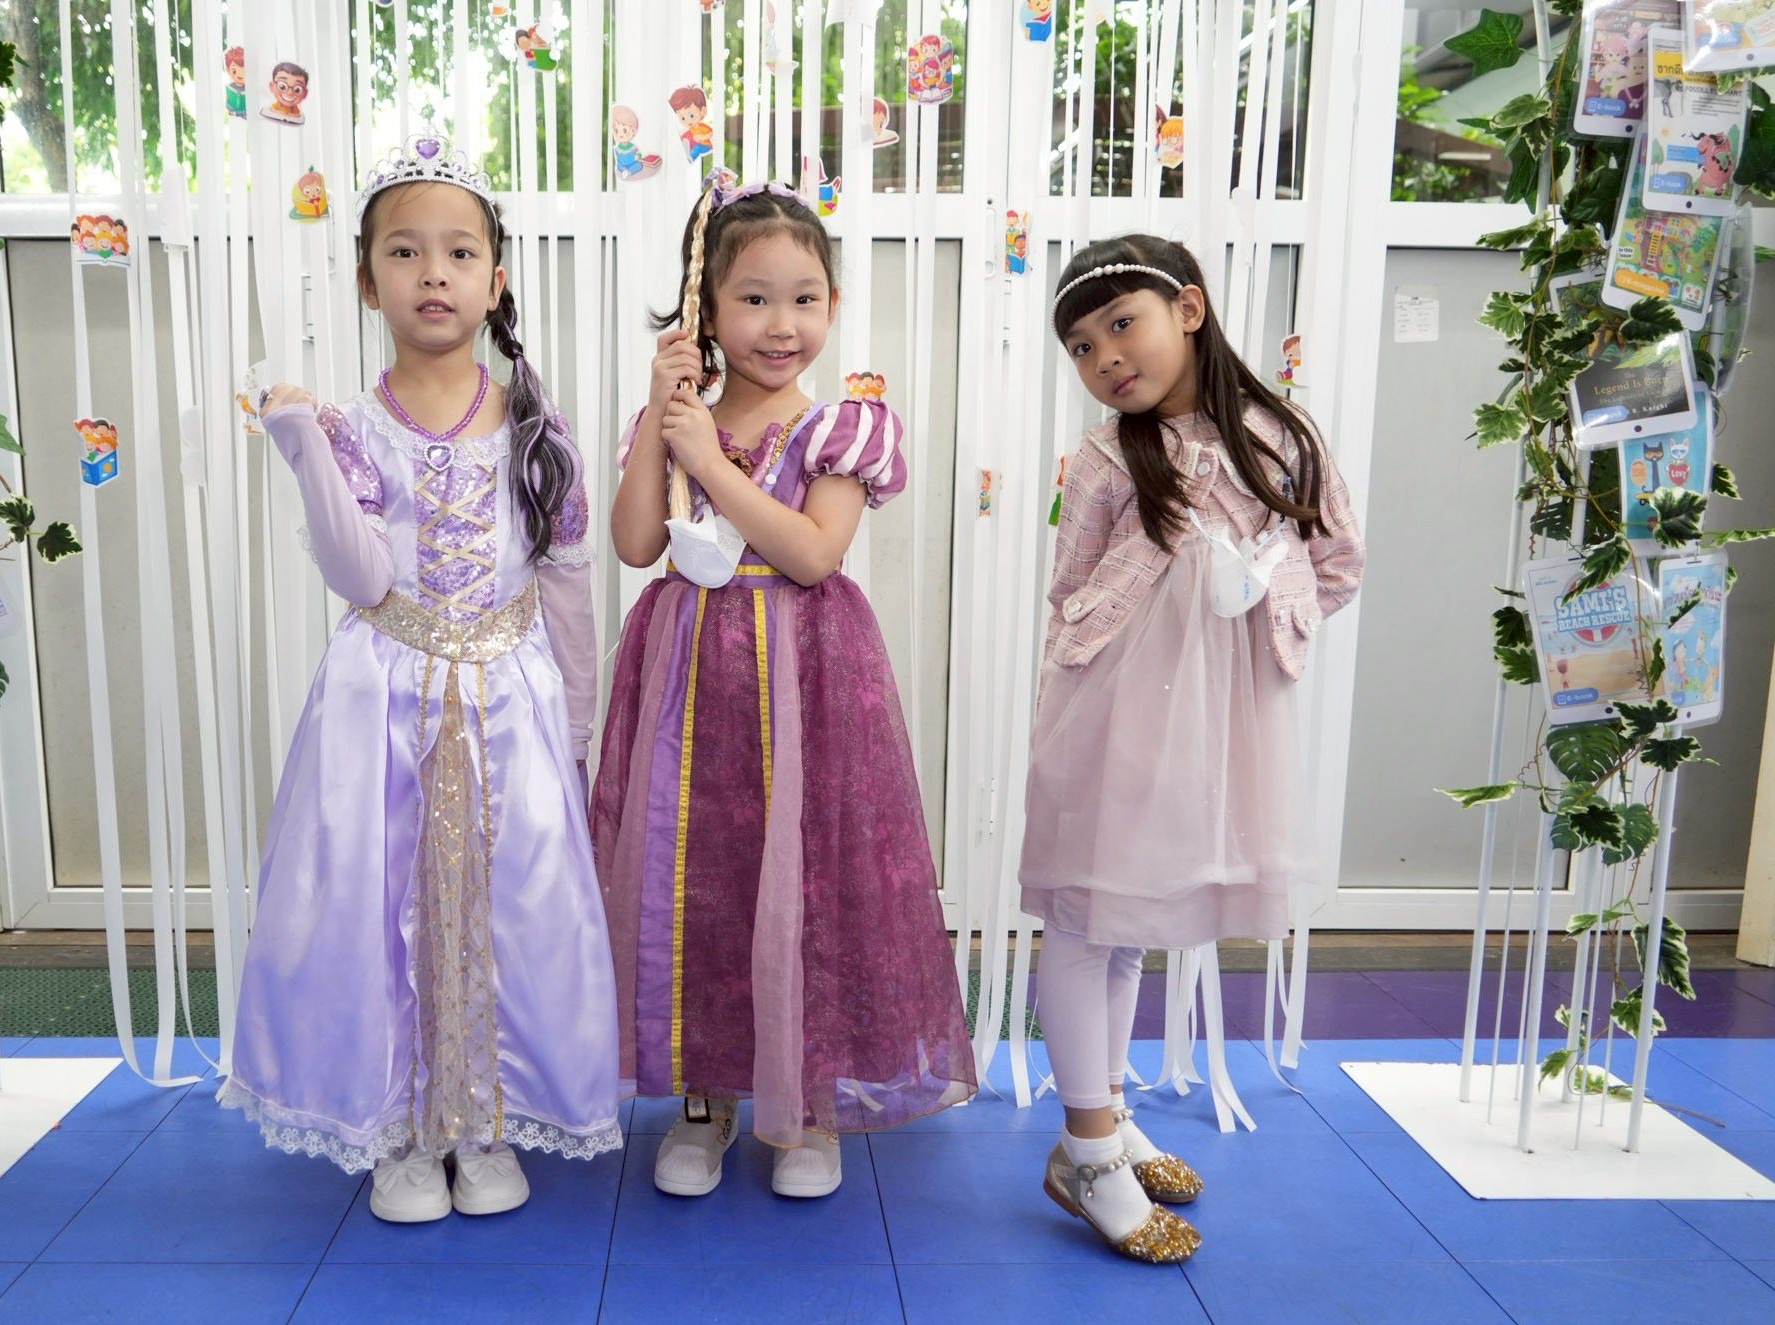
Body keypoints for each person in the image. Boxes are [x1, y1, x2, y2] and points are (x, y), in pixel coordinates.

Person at [219, 136, 621, 1222]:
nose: (432, 273)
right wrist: (303, 445)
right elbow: (360, 576)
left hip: (511, 701)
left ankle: (483, 1120)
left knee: (509, 907)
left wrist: (578, 728)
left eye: (459, 252)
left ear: (496, 279)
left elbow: (568, 584)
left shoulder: (537, 429)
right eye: (404, 252)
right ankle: (399, 1128)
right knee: (379, 907)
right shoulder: (350, 429)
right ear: (367, 282)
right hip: (378, 705)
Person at [593, 177, 977, 1201]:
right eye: (754, 298)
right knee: (698, 876)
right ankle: (702, 1096)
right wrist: (664, 419)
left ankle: (805, 1103)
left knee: (805, 879)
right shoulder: (671, 419)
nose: (781, 323)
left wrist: (708, 464)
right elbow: (634, 543)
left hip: (807, 679)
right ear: (705, 312)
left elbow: (810, 553)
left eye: (804, 298)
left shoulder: (843, 428)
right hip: (687, 678)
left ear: (832, 304)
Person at [1022, 234, 1364, 1262]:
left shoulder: (1280, 438)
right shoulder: (1102, 460)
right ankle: (1087, 1153)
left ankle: (1108, 1112)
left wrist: (1258, 595)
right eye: (1082, 348)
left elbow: (1337, 563)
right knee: (1087, 916)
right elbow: (1067, 589)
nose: (1105, 358)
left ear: (1188, 308)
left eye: (1119, 325)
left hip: (1216, 729)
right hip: (1109, 716)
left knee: (1133, 920)